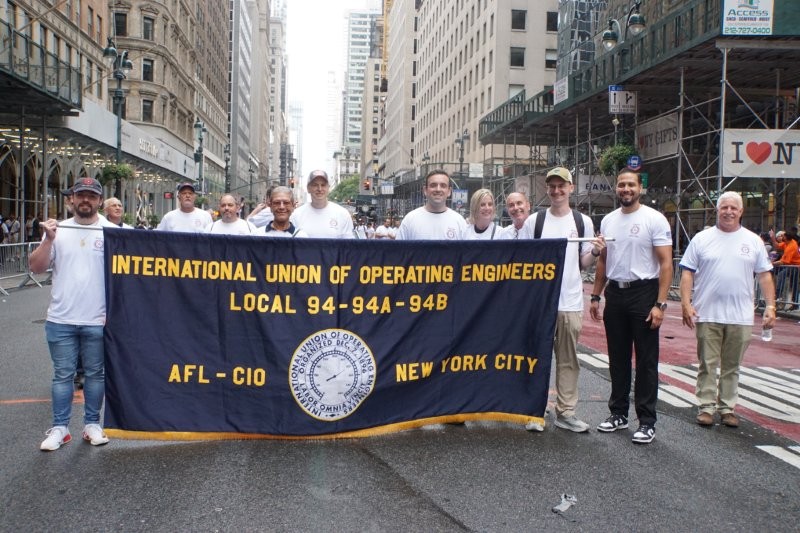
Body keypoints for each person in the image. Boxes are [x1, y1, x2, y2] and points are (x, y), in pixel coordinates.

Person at [28, 177, 117, 451]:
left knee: (95, 374)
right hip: (61, 318)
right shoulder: (58, 230)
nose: (85, 200)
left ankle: (92, 425)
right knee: (62, 376)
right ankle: (60, 428)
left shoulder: (112, 232)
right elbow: (36, 267)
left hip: (98, 319)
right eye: (81, 195)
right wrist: (48, 240)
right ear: (72, 199)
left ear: (99, 201)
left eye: (91, 196)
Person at [589, 168, 673, 445]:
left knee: (646, 361)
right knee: (618, 358)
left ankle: (647, 421)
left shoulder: (654, 219)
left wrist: (660, 304)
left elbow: (666, 264)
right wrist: (596, 295)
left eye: (631, 185)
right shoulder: (609, 220)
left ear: (640, 188)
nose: (626, 189)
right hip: (615, 293)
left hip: (644, 293)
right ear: (616, 188)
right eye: (622, 185)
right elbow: (603, 260)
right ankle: (618, 414)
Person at [679, 192, 775, 428]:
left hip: (741, 316)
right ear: (717, 210)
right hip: (707, 313)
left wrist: (771, 305)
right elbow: (687, 272)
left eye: (733, 208)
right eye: (724, 207)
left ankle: (727, 408)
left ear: (741, 212)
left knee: (732, 366)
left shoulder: (753, 241)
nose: (729, 212)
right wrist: (685, 303)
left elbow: (764, 275)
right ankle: (706, 406)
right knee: (707, 363)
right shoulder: (702, 239)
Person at [518, 168, 604, 433]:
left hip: (570, 302)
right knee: (535, 357)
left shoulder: (582, 221)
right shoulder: (535, 222)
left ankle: (566, 412)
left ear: (570, 188)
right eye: (552, 186)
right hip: (540, 304)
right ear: (547, 189)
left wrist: (596, 252)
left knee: (568, 359)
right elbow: (523, 260)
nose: (556, 191)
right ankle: (534, 411)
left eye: (561, 186)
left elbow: (583, 262)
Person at [395, 169, 466, 240]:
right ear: (425, 190)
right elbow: (399, 247)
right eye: (433, 185)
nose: (438, 189)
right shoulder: (410, 220)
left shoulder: (459, 221)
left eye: (443, 186)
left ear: (449, 191)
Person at [290, 170, 354, 238]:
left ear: (328, 188)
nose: (320, 189)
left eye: (323, 185)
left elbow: (348, 243)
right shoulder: (296, 215)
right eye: (315, 185)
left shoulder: (343, 214)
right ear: (308, 188)